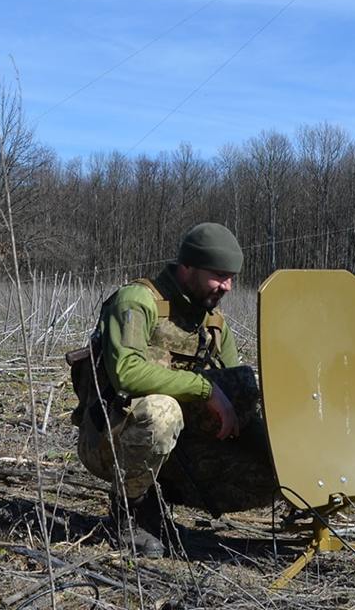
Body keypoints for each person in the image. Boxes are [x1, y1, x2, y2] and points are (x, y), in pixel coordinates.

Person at [70, 222, 278, 558]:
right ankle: (129, 513)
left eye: (231, 277)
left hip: (178, 447)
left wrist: (277, 459)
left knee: (246, 397)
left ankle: (167, 495)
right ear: (187, 268)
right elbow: (127, 373)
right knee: (161, 412)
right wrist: (204, 388)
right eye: (219, 275)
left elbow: (233, 399)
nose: (227, 286)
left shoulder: (213, 324)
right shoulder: (137, 301)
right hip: (110, 438)